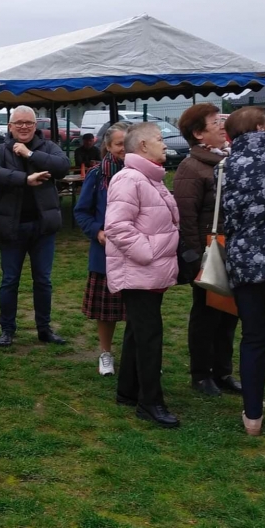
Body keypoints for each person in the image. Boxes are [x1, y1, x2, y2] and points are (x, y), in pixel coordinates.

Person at [220, 107, 265, 441]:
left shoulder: (224, 167)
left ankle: (252, 417)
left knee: (253, 337)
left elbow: (226, 219)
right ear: (264, 126)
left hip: (245, 263)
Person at [105, 122, 180, 428]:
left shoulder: (150, 178)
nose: (165, 144)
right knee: (149, 336)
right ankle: (150, 403)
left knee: (138, 330)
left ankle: (128, 391)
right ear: (143, 147)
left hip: (149, 271)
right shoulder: (129, 179)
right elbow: (117, 227)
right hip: (140, 270)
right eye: (159, 139)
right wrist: (147, 253)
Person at [0, 105, 70, 347]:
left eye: (28, 123)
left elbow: (62, 166)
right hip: (12, 227)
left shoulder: (48, 147)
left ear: (35, 126)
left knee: (43, 280)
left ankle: (44, 328)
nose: (23, 127)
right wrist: (24, 179)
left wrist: (29, 155)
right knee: (10, 280)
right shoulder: (0, 150)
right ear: (10, 126)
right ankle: (7, 329)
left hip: (42, 228)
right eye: (18, 123)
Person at [173, 104, 240, 398]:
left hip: (232, 249)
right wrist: (196, 256)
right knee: (207, 314)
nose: (222, 126)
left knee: (230, 313)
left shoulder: (227, 161)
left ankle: (223, 371)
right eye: (215, 122)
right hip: (209, 253)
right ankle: (201, 374)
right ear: (199, 133)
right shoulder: (192, 167)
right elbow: (185, 217)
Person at [74, 122, 129, 375]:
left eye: (128, 144)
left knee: (139, 310)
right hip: (106, 253)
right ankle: (106, 353)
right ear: (107, 146)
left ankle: (137, 354)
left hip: (138, 253)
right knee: (107, 311)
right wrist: (97, 231)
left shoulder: (146, 173)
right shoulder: (98, 176)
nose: (124, 149)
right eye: (119, 144)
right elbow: (81, 212)